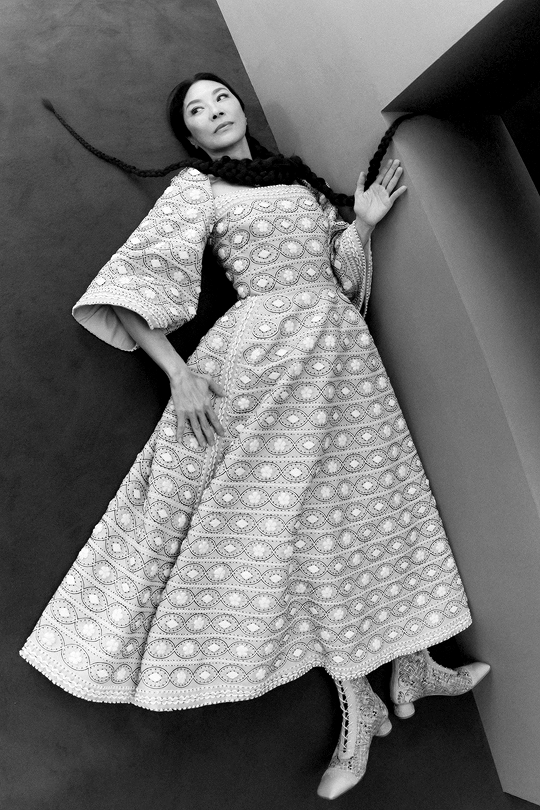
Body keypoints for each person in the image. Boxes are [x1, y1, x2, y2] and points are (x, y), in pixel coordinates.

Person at [20, 73, 489, 800]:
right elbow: (133, 284)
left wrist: (362, 225)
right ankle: (359, 709)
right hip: (265, 363)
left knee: (369, 504)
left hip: (341, 357)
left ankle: (412, 666)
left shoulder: (298, 182)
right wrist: (180, 375)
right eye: (196, 111)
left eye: (219, 98)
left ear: (239, 107)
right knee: (295, 526)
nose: (214, 111)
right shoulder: (197, 189)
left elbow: (343, 284)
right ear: (191, 137)